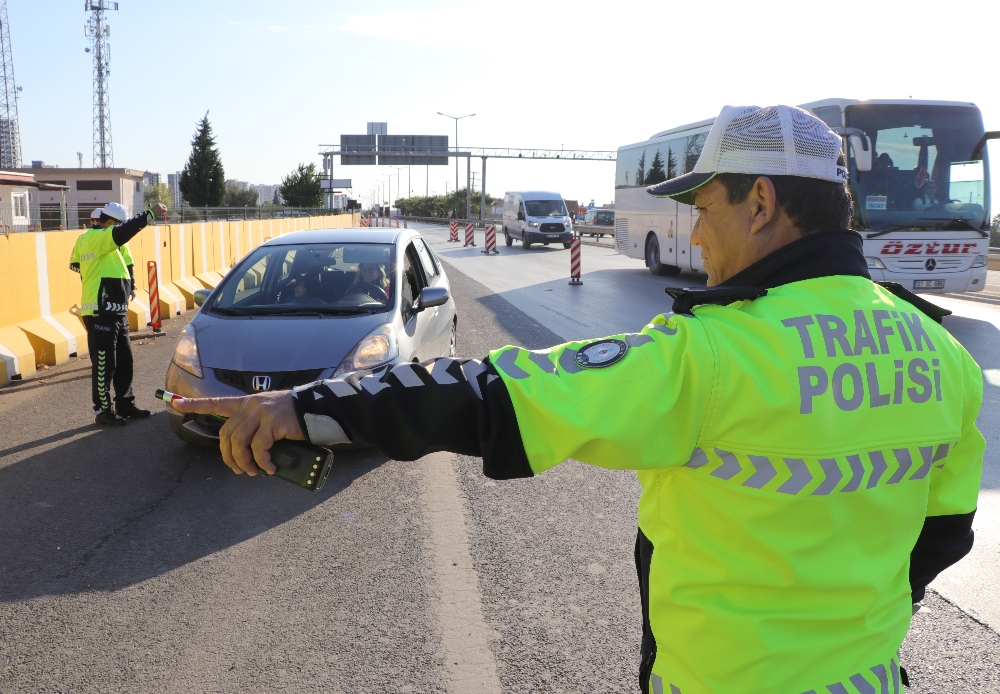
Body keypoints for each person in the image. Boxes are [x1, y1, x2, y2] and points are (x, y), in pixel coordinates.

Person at [173, 106, 983, 693]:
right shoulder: (942, 356)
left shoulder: (716, 356)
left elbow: (496, 394)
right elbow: (943, 536)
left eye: (704, 210)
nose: (696, 235)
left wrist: (313, 407)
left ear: (762, 203)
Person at [71, 201, 168, 425]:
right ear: (112, 223)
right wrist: (151, 213)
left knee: (125, 360)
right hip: (100, 309)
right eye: (118, 225)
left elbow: (80, 265)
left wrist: (128, 284)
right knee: (105, 362)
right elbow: (125, 231)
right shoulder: (97, 236)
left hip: (116, 309)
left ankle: (125, 403)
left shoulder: (104, 241)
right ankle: (103, 411)